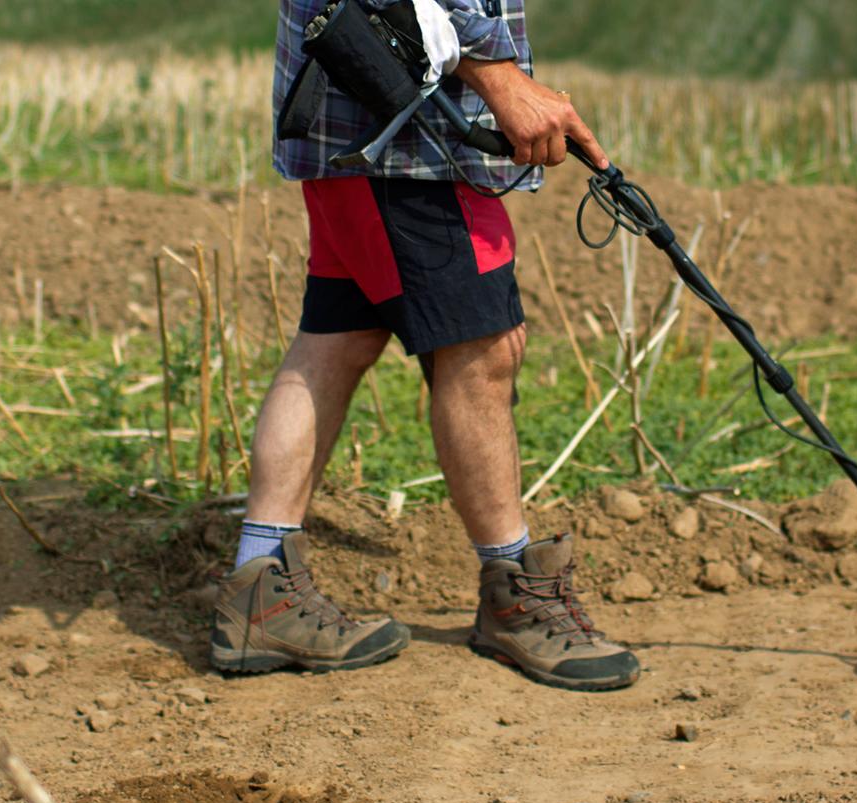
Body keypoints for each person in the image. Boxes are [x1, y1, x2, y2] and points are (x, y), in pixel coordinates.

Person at [208, 0, 640, 691]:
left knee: (340, 339)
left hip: (370, 122)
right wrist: (500, 79)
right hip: (407, 142)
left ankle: (262, 587)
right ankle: (515, 595)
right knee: (483, 351)